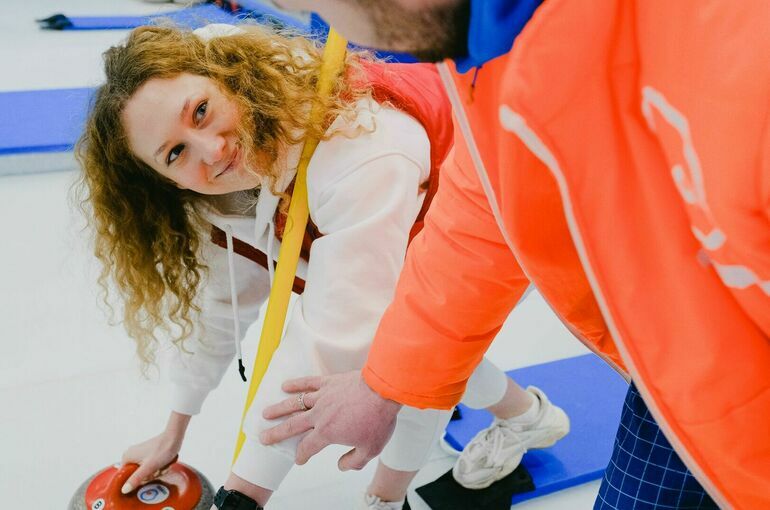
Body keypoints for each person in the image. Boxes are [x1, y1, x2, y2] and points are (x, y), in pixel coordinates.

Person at [259, 1, 770, 509]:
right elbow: (483, 210)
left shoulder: (737, 52)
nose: (339, 31)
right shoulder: (490, 51)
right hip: (684, 371)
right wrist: (386, 383)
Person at [76, 22, 569, 510]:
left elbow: (347, 335)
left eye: (201, 111)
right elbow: (222, 308)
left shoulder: (361, 141)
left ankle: (386, 499)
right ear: (166, 181)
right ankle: (528, 418)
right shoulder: (219, 192)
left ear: (228, 78)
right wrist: (174, 430)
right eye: (175, 153)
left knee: (410, 357)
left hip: (506, 204)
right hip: (405, 234)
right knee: (410, 345)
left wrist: (242, 497)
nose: (213, 150)